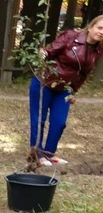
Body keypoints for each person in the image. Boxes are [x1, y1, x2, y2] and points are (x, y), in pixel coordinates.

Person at [29, 14, 103, 165]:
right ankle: (37, 154)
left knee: (59, 122)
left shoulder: (98, 50)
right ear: (91, 27)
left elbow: (83, 73)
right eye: (100, 27)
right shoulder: (70, 37)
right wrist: (42, 54)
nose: (102, 32)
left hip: (65, 89)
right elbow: (51, 52)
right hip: (45, 82)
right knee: (39, 120)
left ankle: (49, 154)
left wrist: (73, 91)